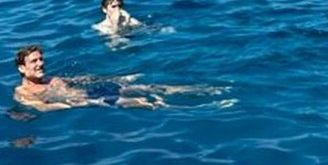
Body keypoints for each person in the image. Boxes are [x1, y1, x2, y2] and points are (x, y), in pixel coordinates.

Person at [13, 45, 210, 111]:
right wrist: (75, 105)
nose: (40, 64)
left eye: (41, 59)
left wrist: (119, 78)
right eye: (34, 62)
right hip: (93, 101)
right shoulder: (22, 93)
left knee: (150, 87)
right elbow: (42, 108)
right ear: (22, 68)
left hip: (96, 92)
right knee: (144, 102)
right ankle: (197, 106)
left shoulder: (52, 79)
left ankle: (203, 90)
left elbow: (84, 80)